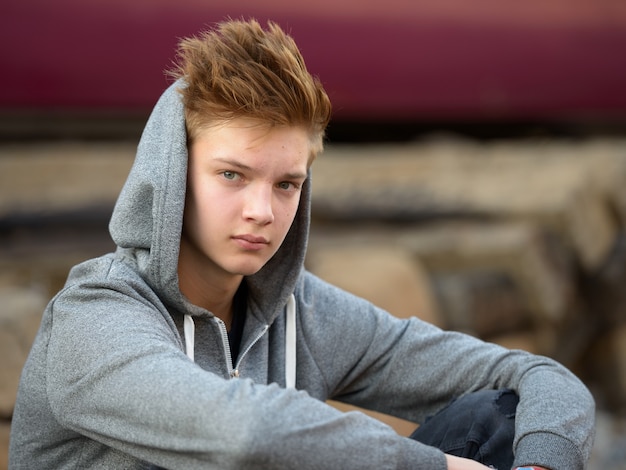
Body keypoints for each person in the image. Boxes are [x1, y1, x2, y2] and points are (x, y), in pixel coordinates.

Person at [9, 18, 594, 470]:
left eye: (286, 184)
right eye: (232, 175)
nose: (262, 212)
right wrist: (431, 464)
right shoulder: (95, 319)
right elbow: (243, 435)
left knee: (498, 419)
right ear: (172, 177)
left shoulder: (303, 314)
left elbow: (536, 375)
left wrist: (541, 461)